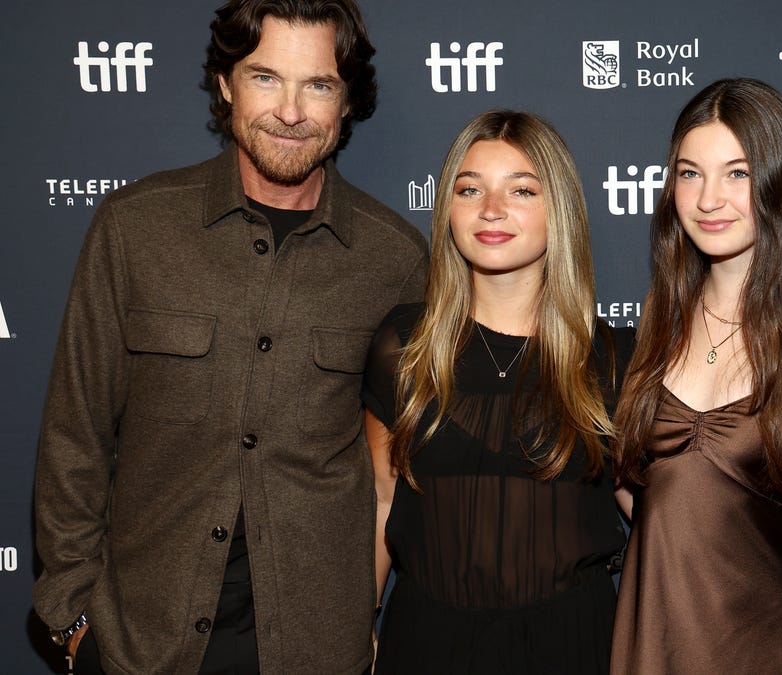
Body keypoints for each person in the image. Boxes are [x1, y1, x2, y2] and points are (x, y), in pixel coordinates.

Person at [32, 1, 428, 672]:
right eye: (265, 77)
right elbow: (75, 436)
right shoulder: (135, 229)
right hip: (143, 644)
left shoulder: (394, 259)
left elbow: (397, 471)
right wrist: (73, 620)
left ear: (346, 102)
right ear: (225, 83)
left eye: (318, 84)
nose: (291, 111)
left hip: (314, 648)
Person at [363, 110, 633, 674]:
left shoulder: (613, 360)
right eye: (470, 189)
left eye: (521, 190)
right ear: (448, 209)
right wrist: (360, 622)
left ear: (559, 209)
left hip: (574, 647)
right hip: (425, 646)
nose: (491, 209)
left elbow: (666, 512)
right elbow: (382, 500)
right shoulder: (403, 346)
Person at [610, 78, 782, 673]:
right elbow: (637, 482)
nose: (708, 199)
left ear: (780, 182)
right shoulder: (658, 319)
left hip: (776, 647)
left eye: (737, 174)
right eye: (690, 173)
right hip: (656, 640)